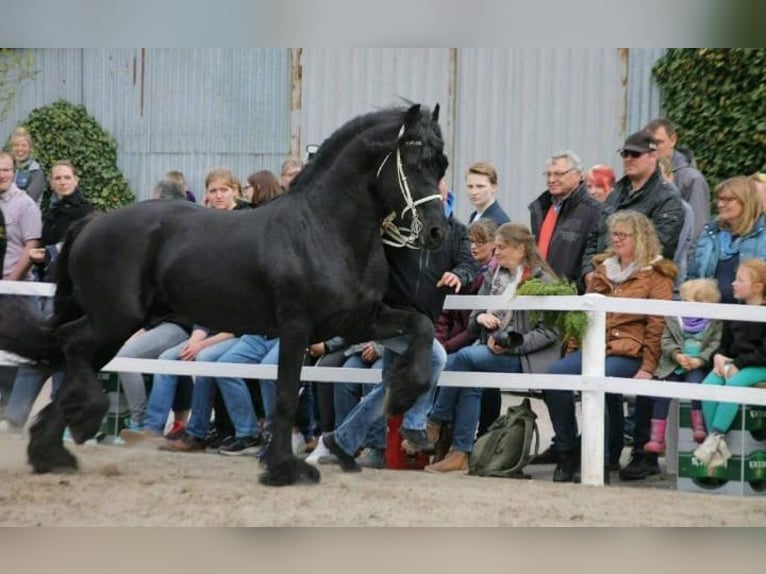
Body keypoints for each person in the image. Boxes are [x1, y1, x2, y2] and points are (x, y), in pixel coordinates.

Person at [317, 179, 478, 472]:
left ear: (445, 192)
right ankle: (416, 423)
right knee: (434, 356)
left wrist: (459, 275)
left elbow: (468, 264)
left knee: (390, 386)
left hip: (421, 319)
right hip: (389, 314)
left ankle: (340, 441)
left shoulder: (457, 232)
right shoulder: (396, 224)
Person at [545, 211, 676, 483]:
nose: (616, 239)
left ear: (639, 238)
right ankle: (567, 450)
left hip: (630, 350)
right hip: (594, 346)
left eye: (623, 235)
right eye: (614, 234)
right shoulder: (601, 270)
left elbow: (657, 325)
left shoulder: (657, 275)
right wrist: (572, 349)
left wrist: (649, 366)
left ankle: (600, 462)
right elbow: (583, 316)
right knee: (554, 378)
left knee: (597, 382)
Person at [425, 223, 562, 473]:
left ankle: (436, 421)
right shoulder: (494, 274)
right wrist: (480, 320)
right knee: (468, 376)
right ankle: (460, 451)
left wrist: (510, 344)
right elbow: (475, 315)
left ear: (520, 249)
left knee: (463, 358)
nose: (496, 253)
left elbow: (550, 332)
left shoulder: (544, 280)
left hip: (528, 356)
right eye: (496, 247)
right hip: (492, 346)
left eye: (501, 247)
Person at [526, 150, 602, 464]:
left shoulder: (593, 211)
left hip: (573, 305)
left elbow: (590, 255)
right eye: (549, 174)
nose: (552, 179)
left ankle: (578, 450)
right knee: (549, 377)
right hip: (542, 302)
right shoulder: (541, 206)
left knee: (574, 380)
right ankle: (564, 441)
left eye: (559, 174)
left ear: (577, 176)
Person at [582, 130, 685, 287]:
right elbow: (595, 235)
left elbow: (659, 248)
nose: (629, 159)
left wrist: (618, 276)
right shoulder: (616, 191)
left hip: (639, 287)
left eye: (636, 154)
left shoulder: (667, 197)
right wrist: (589, 271)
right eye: (625, 153)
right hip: (601, 283)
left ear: (653, 156)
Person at [693, 259, 766, 470]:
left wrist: (737, 364)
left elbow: (764, 353)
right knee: (708, 386)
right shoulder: (734, 311)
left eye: (740, 280)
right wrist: (718, 356)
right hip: (736, 363)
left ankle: (714, 438)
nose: (733, 283)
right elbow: (724, 345)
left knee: (734, 385)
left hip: (758, 365)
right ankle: (715, 442)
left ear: (758, 287)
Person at [646, 278, 723, 453]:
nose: (682, 304)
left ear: (703, 303)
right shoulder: (674, 319)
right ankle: (657, 438)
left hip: (698, 365)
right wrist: (676, 354)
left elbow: (714, 344)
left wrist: (700, 360)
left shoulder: (714, 322)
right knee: (662, 391)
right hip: (674, 364)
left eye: (686, 301)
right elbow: (666, 340)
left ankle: (699, 427)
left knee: (696, 386)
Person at [0, 151, 41, 409]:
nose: (1, 175)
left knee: (12, 350)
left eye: (5, 170)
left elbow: (31, 247)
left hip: (15, 288)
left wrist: (9, 284)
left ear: (14, 172)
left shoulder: (25, 205)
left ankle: (7, 407)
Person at [687, 176, 766, 304]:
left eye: (728, 200)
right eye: (719, 199)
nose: (720, 205)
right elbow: (693, 276)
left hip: (753, 317)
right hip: (711, 315)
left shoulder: (763, 235)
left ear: (746, 201)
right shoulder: (710, 232)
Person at [645, 118, 710, 243]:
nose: (654, 149)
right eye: (649, 144)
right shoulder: (644, 174)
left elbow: (698, 231)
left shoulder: (692, 179)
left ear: (673, 140)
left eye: (659, 142)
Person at [28, 161, 94, 282]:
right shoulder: (52, 210)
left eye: (67, 177)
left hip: (69, 280)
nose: (63, 182)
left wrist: (48, 254)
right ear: (51, 183)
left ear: (76, 180)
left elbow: (83, 247)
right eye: (58, 178)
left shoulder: (84, 212)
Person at [8, 127, 45, 204]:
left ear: (30, 149)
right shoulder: (6, 168)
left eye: (24, 145)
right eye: (16, 145)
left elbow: (29, 200)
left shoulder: (36, 171)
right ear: (11, 149)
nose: (20, 149)